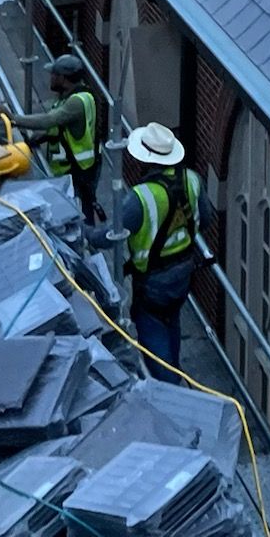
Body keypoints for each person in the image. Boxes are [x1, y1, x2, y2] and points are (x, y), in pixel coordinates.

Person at [96, 122, 212, 381]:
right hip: (183, 274)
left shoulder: (141, 197)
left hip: (153, 284)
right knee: (172, 320)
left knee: (154, 338)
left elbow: (108, 235)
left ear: (145, 159)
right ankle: (176, 373)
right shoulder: (192, 180)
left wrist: (84, 232)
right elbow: (206, 219)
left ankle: (169, 390)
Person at [12, 54, 103, 221]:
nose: (50, 78)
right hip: (75, 167)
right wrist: (38, 138)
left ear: (63, 78)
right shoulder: (70, 97)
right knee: (76, 208)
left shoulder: (76, 102)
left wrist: (14, 119)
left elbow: (49, 120)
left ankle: (86, 242)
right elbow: (59, 127)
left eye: (53, 75)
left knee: (80, 212)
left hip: (78, 169)